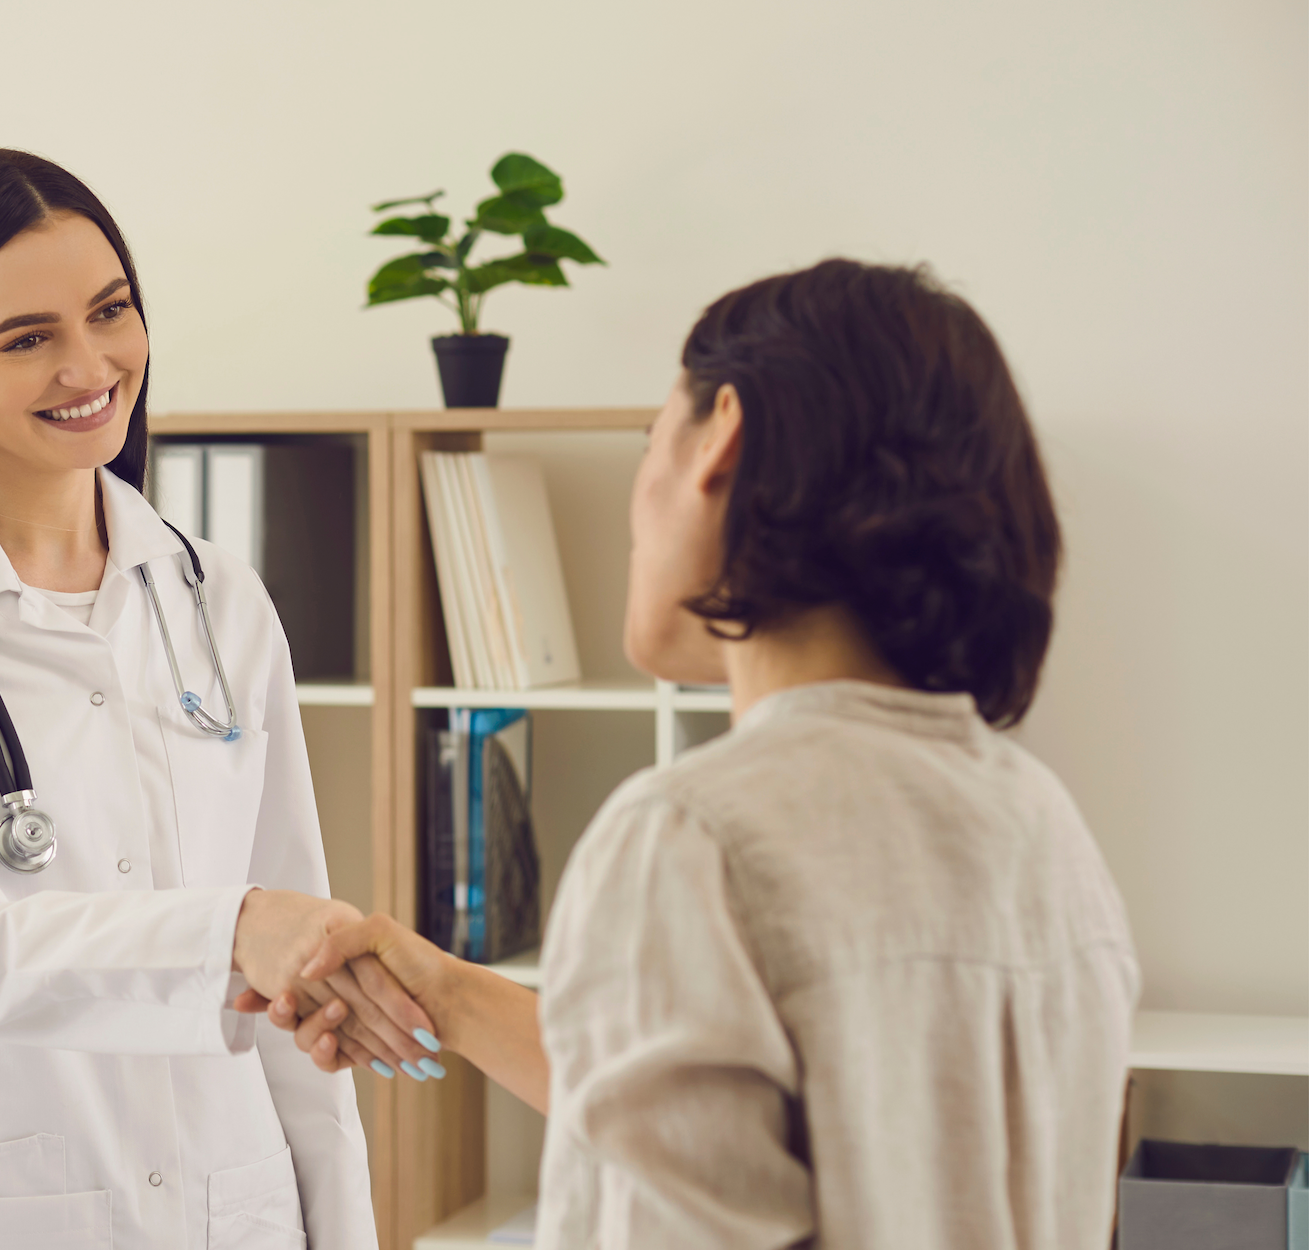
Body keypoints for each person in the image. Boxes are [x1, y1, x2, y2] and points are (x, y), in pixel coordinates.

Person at [261, 260, 1139, 1247]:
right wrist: (451, 996)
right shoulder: (1038, 820)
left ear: (722, 435)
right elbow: (832, 1128)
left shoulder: (692, 834)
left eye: (650, 440)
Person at [0, 145, 432, 1250]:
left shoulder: (218, 597)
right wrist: (233, 929)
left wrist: (342, 1228)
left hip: (234, 1204)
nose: (91, 365)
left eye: (109, 311)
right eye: (27, 339)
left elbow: (296, 982)